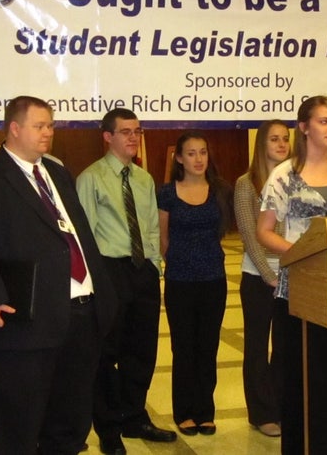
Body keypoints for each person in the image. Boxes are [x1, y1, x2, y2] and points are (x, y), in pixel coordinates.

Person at [0, 95, 117, 454]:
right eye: (39, 126)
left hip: (78, 314)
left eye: (51, 126)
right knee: (17, 424)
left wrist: (103, 292)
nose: (48, 133)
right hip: (20, 320)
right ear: (14, 128)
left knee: (70, 421)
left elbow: (77, 234)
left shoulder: (56, 172)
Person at [256, 95, 327, 454]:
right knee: (298, 371)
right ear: (304, 128)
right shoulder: (284, 174)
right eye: (323, 121)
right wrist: (303, 252)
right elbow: (265, 231)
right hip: (298, 286)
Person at [76, 109, 177, 454]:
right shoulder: (91, 178)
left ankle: (135, 416)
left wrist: (152, 267)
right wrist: (95, 281)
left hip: (141, 271)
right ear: (107, 136)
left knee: (142, 351)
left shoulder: (144, 179)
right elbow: (84, 235)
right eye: (125, 132)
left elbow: (150, 227)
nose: (133, 138)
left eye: (137, 132)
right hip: (108, 270)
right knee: (107, 352)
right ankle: (108, 428)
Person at [157, 131, 233, 437]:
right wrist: (177, 262)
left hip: (214, 278)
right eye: (191, 153)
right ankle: (184, 412)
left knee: (208, 347)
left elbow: (222, 230)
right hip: (180, 281)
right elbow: (163, 238)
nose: (198, 159)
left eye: (203, 152)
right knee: (184, 348)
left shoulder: (220, 191)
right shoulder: (166, 193)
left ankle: (205, 411)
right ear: (179, 158)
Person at [234, 119, 290, 438]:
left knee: (284, 346)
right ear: (261, 145)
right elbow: (249, 235)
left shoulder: (294, 182)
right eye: (274, 139)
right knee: (257, 346)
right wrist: (270, 276)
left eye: (285, 139)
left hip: (291, 275)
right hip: (258, 276)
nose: (281, 145)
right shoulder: (247, 183)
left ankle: (280, 407)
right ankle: (261, 413)